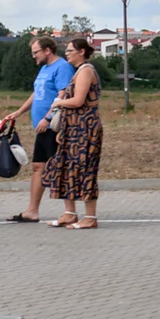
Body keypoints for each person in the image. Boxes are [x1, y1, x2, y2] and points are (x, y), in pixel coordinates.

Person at [2, 37, 76, 222]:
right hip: (42, 128)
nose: (34, 56)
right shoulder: (44, 69)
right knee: (38, 167)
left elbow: (62, 95)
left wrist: (47, 118)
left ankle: (70, 211)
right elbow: (37, 94)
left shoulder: (62, 67)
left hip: (53, 126)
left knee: (59, 166)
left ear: (47, 51)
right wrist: (19, 112)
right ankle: (32, 210)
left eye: (36, 52)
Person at [42, 38, 103, 229]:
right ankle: (70, 213)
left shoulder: (86, 71)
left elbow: (78, 101)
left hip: (86, 128)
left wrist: (58, 102)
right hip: (73, 128)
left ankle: (90, 217)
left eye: (70, 50)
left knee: (85, 169)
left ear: (81, 51)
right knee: (67, 168)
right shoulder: (78, 71)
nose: (66, 53)